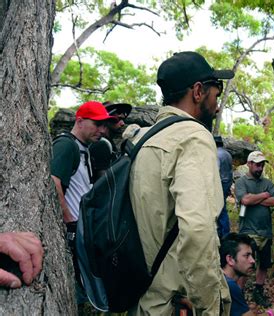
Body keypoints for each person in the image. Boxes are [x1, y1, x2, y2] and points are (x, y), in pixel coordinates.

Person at [128, 51, 234, 315]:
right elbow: (197, 231)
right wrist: (209, 307)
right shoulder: (192, 137)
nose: (217, 104)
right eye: (216, 93)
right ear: (198, 91)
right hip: (171, 304)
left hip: (141, 298)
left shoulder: (146, 140)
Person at [50, 100, 117, 308]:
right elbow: (53, 181)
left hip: (82, 228)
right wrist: (68, 219)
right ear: (79, 121)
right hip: (72, 230)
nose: (102, 130)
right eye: (97, 124)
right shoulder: (66, 145)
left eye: (105, 125)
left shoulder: (84, 148)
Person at [235, 151, 274, 308]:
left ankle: (258, 291)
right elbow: (245, 200)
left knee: (264, 264)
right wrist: (263, 195)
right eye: (257, 164)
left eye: (262, 165)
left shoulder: (268, 183)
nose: (260, 168)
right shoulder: (242, 182)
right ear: (249, 164)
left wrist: (255, 198)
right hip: (248, 231)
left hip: (265, 231)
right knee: (245, 263)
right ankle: (238, 295)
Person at [220, 233, 274, 316]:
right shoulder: (230, 286)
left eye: (252, 256)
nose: (252, 261)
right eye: (247, 256)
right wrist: (271, 313)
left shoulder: (219, 279)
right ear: (230, 259)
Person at [89, 102, 132, 181]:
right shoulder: (101, 144)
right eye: (119, 119)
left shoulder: (108, 143)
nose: (123, 123)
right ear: (107, 119)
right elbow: (103, 182)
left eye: (123, 120)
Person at [215, 135, 233, 238]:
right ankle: (224, 231)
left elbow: (216, 170)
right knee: (222, 206)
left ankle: (224, 232)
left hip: (220, 183)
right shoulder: (227, 154)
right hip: (227, 183)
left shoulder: (217, 154)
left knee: (220, 208)